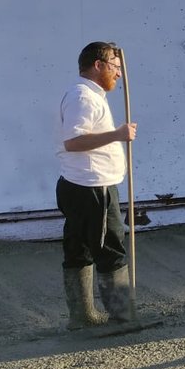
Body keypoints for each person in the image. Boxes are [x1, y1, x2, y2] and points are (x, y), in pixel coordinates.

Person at [56, 41, 138, 328]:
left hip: (79, 185)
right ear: (98, 65)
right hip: (93, 188)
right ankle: (122, 317)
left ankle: (82, 317)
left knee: (79, 248)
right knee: (110, 249)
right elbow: (73, 141)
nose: (118, 74)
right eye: (115, 67)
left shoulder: (86, 94)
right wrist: (117, 134)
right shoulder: (84, 97)